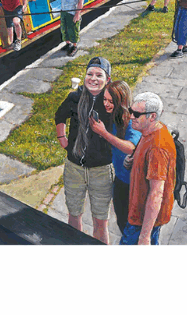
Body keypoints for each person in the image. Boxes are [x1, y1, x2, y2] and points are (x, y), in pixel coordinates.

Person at [53, 57, 116, 244]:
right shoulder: (75, 97)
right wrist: (62, 139)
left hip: (101, 170)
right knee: (74, 215)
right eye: (90, 74)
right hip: (74, 168)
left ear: (108, 79)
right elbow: (60, 116)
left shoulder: (112, 101)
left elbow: (124, 128)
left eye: (99, 75)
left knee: (100, 221)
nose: (93, 79)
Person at [120, 91, 175, 245]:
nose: (131, 117)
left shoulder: (157, 148)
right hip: (141, 217)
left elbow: (156, 193)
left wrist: (144, 236)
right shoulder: (150, 131)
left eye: (136, 114)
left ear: (152, 116)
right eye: (131, 111)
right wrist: (133, 160)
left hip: (142, 222)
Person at [87, 79, 141, 236]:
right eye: (105, 99)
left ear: (121, 102)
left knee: (131, 226)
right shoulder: (113, 116)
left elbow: (131, 147)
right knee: (122, 221)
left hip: (134, 184)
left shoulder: (131, 120)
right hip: (120, 178)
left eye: (111, 101)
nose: (106, 104)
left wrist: (104, 133)